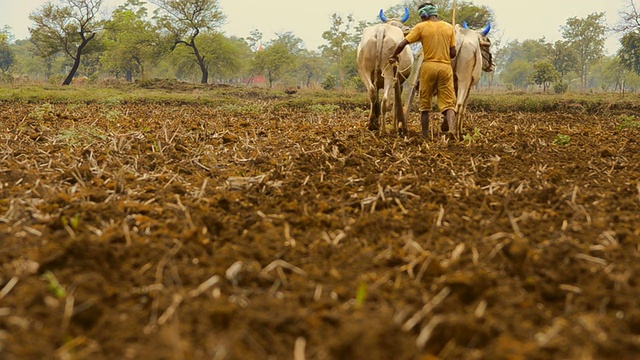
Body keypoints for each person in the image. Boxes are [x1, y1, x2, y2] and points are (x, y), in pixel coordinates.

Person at [390, 2, 457, 139]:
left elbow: (403, 43)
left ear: (424, 15)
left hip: (429, 67)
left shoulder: (421, 27)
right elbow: (453, 53)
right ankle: (452, 131)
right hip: (445, 68)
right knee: (449, 104)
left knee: (425, 105)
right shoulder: (449, 27)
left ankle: (425, 136)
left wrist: (393, 56)